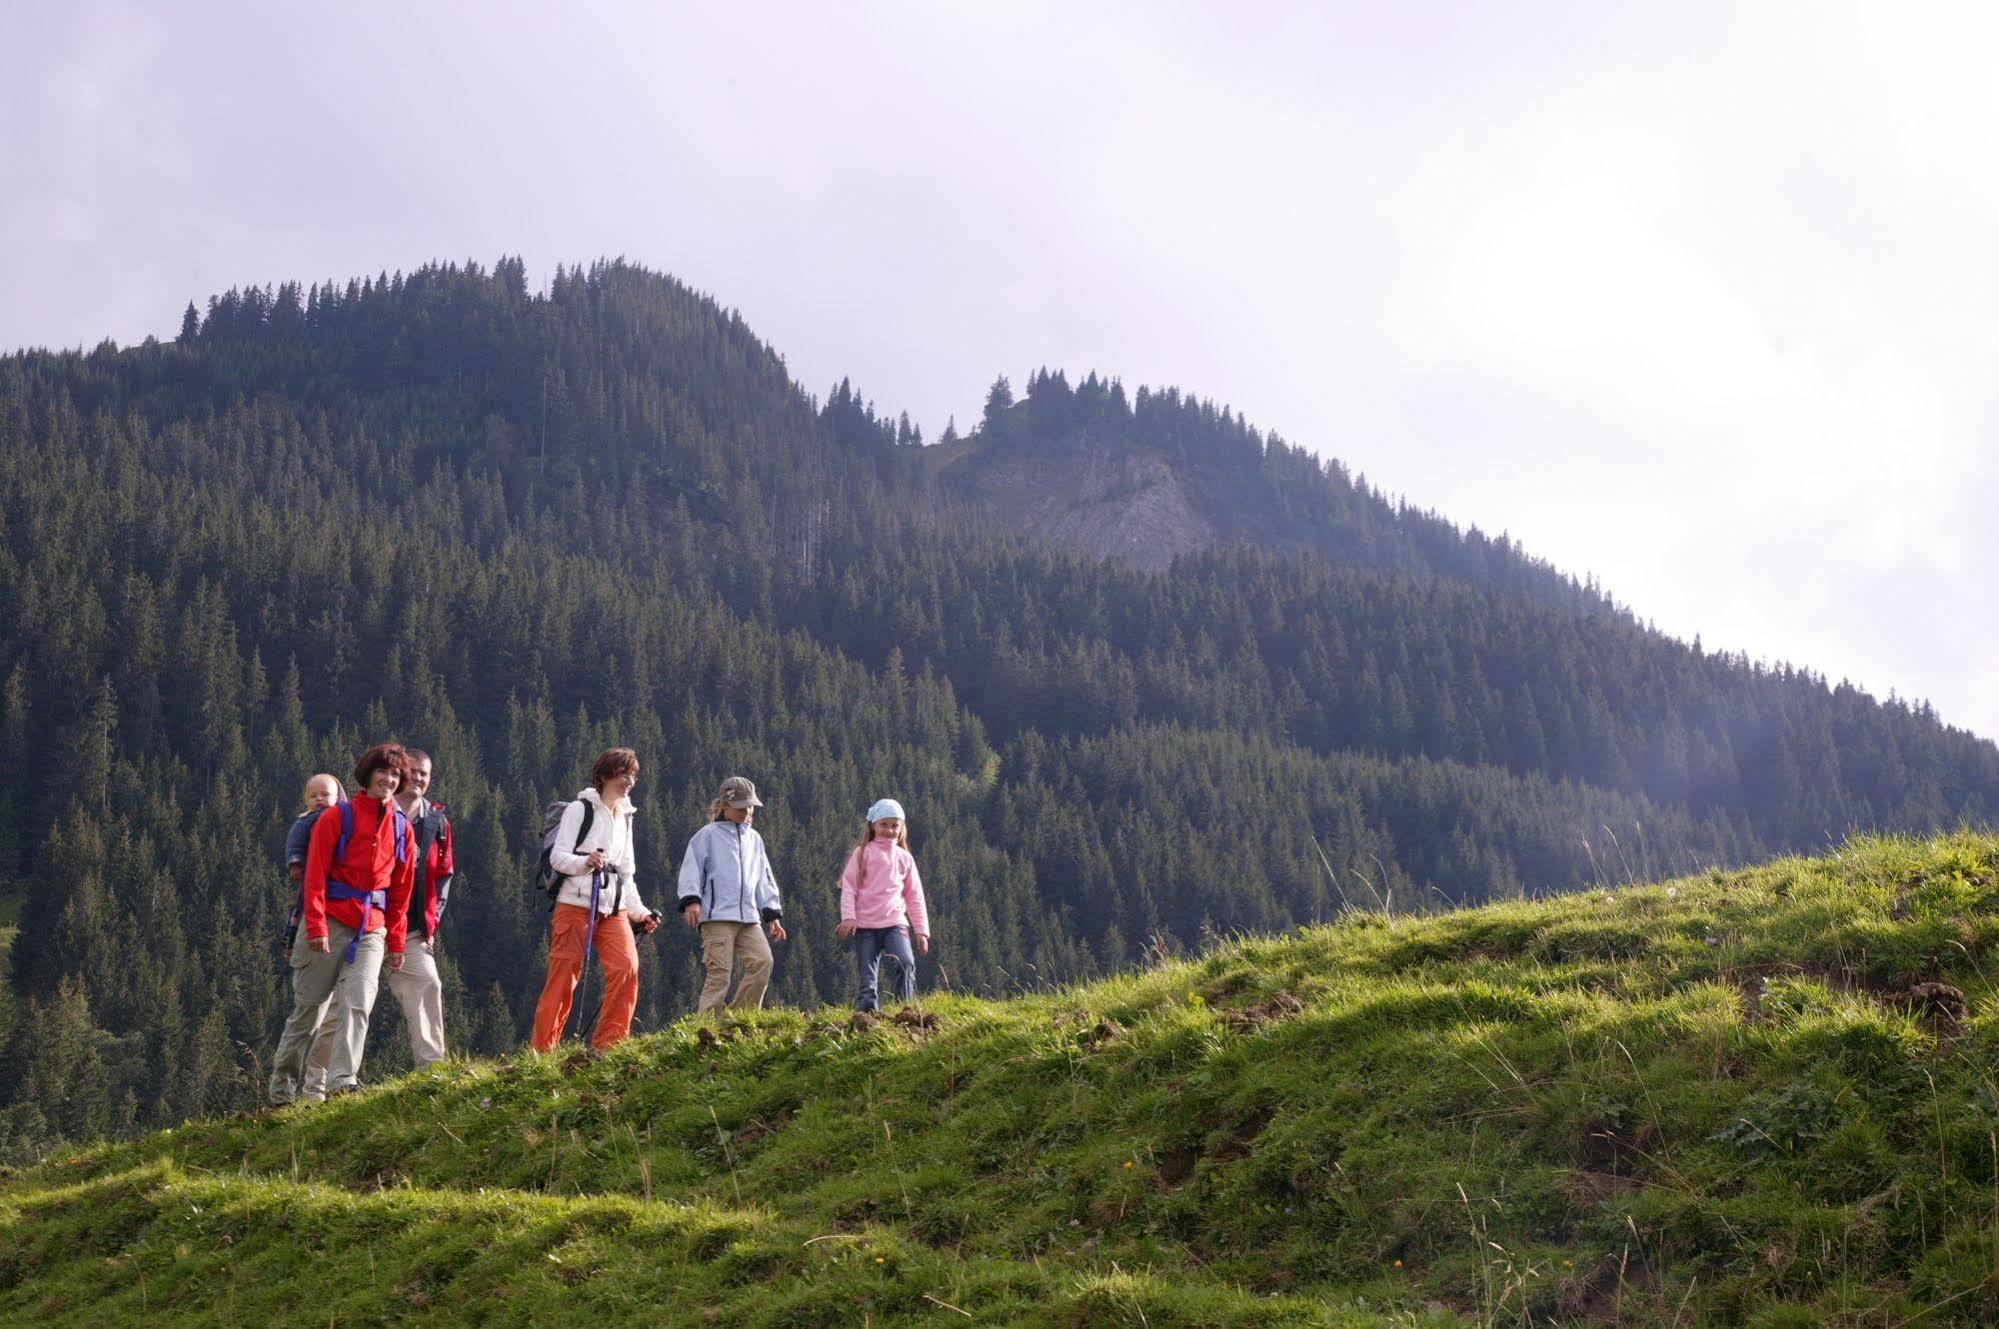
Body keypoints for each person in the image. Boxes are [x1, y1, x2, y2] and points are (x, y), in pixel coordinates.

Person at [267, 743, 416, 1104]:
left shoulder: (402, 830)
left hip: (371, 928)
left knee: (358, 1002)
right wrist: (316, 927)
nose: (389, 779)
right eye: (383, 772)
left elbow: (401, 891)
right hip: (328, 922)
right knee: (309, 1012)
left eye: (396, 775)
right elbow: (314, 875)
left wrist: (396, 942)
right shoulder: (337, 818)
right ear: (367, 776)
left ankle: (341, 1082)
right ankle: (282, 1090)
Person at [304, 748, 455, 1082]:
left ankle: (433, 1072)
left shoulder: (436, 823)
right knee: (341, 1008)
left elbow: (443, 875)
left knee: (427, 984)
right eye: (411, 771)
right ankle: (316, 1084)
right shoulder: (361, 814)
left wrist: (432, 920)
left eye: (424, 774)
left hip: (409, 929)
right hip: (360, 924)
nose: (416, 778)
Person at [529, 748, 660, 1053]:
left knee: (627, 968)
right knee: (563, 977)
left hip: (613, 907)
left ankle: (609, 1046)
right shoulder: (579, 809)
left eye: (633, 775)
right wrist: (585, 862)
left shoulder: (627, 815)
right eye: (623, 774)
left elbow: (626, 871)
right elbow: (559, 857)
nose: (629, 781)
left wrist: (639, 912)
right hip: (573, 905)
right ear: (603, 776)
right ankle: (542, 1052)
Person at [676, 776, 787, 1013]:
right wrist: (691, 901)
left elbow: (764, 877)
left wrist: (771, 913)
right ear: (724, 806)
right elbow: (690, 870)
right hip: (716, 917)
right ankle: (705, 1030)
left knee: (763, 962)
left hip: (748, 917)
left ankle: (738, 1019)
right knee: (720, 975)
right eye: (740, 806)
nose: (746, 811)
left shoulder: (754, 839)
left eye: (749, 806)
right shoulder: (707, 835)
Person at [836, 798, 931, 1011]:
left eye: (894, 825)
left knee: (905, 962)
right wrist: (849, 917)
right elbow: (849, 887)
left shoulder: (904, 858)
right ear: (873, 826)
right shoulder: (862, 853)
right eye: (884, 824)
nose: (889, 830)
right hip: (865, 926)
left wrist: (922, 931)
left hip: (895, 923)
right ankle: (867, 1018)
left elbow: (915, 895)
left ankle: (905, 1010)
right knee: (867, 978)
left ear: (902, 828)